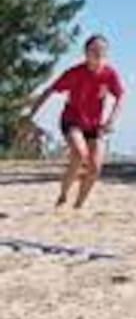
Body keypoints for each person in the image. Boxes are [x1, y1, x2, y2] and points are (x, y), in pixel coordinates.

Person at [29, 35, 125, 209]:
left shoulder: (110, 74)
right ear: (86, 53)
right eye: (93, 50)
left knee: (95, 167)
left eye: (102, 51)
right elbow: (49, 90)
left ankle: (78, 205)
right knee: (80, 155)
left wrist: (111, 119)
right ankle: (64, 194)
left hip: (95, 125)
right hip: (72, 120)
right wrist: (31, 115)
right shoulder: (75, 73)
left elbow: (120, 96)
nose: (98, 54)